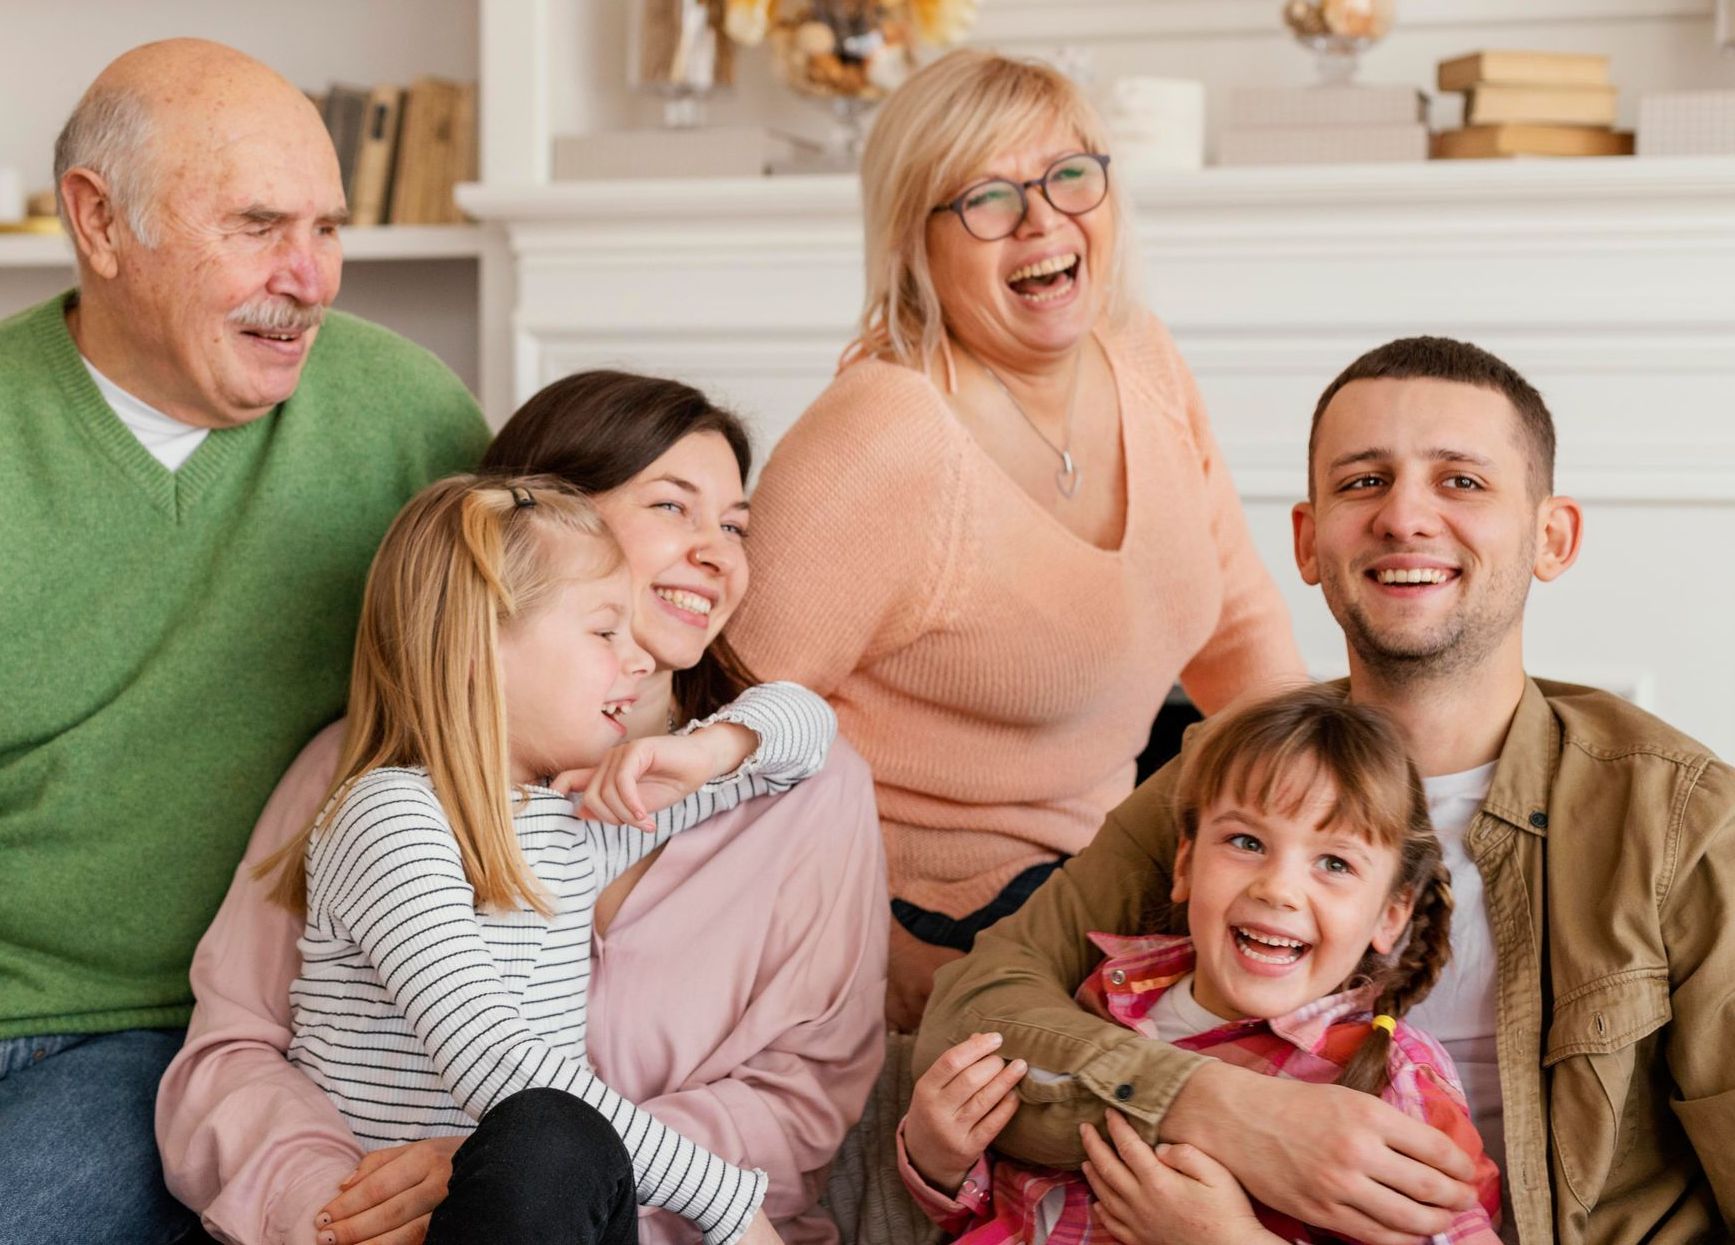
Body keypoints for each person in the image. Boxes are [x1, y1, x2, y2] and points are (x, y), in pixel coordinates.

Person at [918, 336, 1735, 1245]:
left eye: (1460, 481)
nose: (1404, 518)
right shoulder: (1229, 772)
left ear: (1552, 537)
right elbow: (977, 1008)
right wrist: (1225, 1111)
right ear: (1308, 543)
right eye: (1362, 483)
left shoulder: (1679, 819)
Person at [159, 371, 888, 1245]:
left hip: (628, 1222)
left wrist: (711, 751)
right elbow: (235, 1056)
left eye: (734, 525)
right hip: (381, 1226)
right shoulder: (371, 787)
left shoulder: (686, 797)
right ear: (541, 522)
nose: (719, 553)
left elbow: (796, 1104)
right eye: (672, 507)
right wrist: (346, 1203)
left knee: (543, 1144)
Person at [0, 38, 486, 1245]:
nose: (310, 277)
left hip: (174, 1026)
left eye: (327, 228)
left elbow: (555, 691)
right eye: (260, 224)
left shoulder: (411, 422)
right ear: (99, 224)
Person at [726, 48, 1302, 1035]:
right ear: (917, 238)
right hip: (929, 913)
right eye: (988, 198)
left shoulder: (1142, 358)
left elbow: (1234, 628)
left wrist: (1340, 811)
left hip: (1095, 884)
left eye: (1070, 176)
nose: (1044, 220)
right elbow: (719, 731)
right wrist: (871, 951)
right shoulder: (882, 438)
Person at [900, 685, 1501, 1245]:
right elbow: (1015, 1208)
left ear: (1389, 915)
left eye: (1335, 864)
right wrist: (941, 1163)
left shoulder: (1393, 1082)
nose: (1279, 889)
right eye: (1246, 843)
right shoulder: (1100, 999)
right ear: (1185, 863)